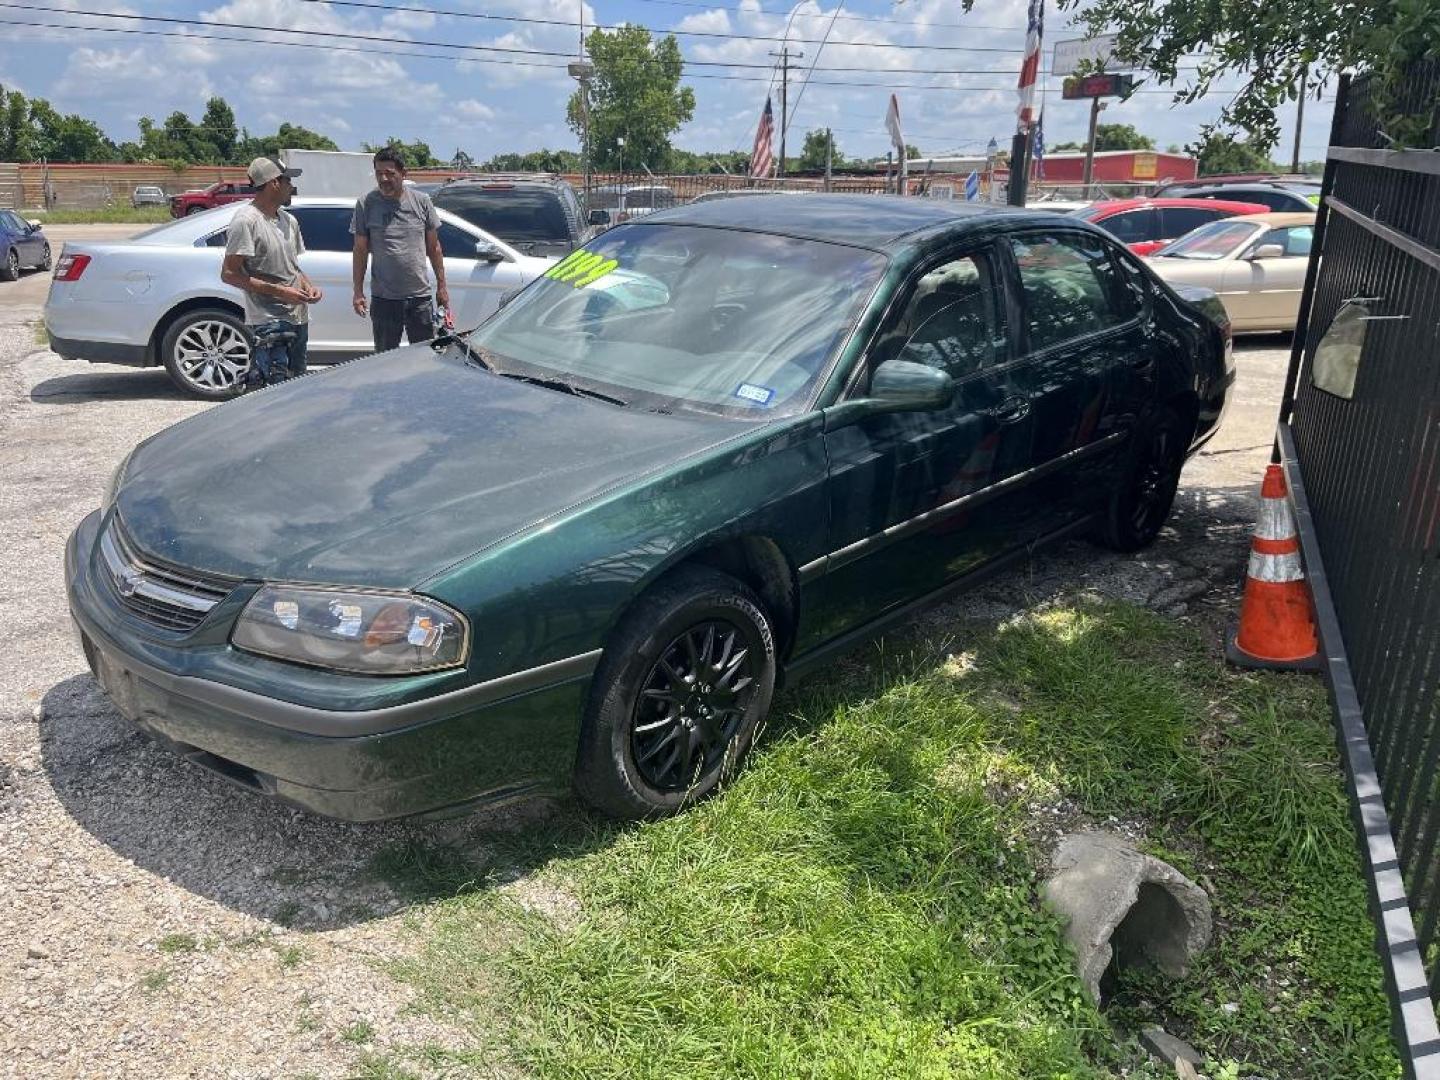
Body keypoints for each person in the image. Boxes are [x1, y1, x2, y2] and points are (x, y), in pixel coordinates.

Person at [219, 157, 321, 388]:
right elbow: (229, 274)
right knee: (273, 392)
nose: (291, 187)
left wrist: (308, 286)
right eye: (288, 181)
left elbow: (293, 266)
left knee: (296, 385)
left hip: (298, 317)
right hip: (270, 322)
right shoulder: (247, 221)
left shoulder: (288, 220)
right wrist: (280, 292)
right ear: (274, 183)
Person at [350, 147, 450, 351]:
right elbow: (360, 250)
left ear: (403, 173)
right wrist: (358, 292)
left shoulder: (421, 202)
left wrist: (442, 286)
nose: (384, 178)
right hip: (384, 299)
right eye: (379, 173)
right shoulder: (366, 204)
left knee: (424, 358)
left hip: (419, 298)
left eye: (390, 173)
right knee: (385, 361)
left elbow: (434, 248)